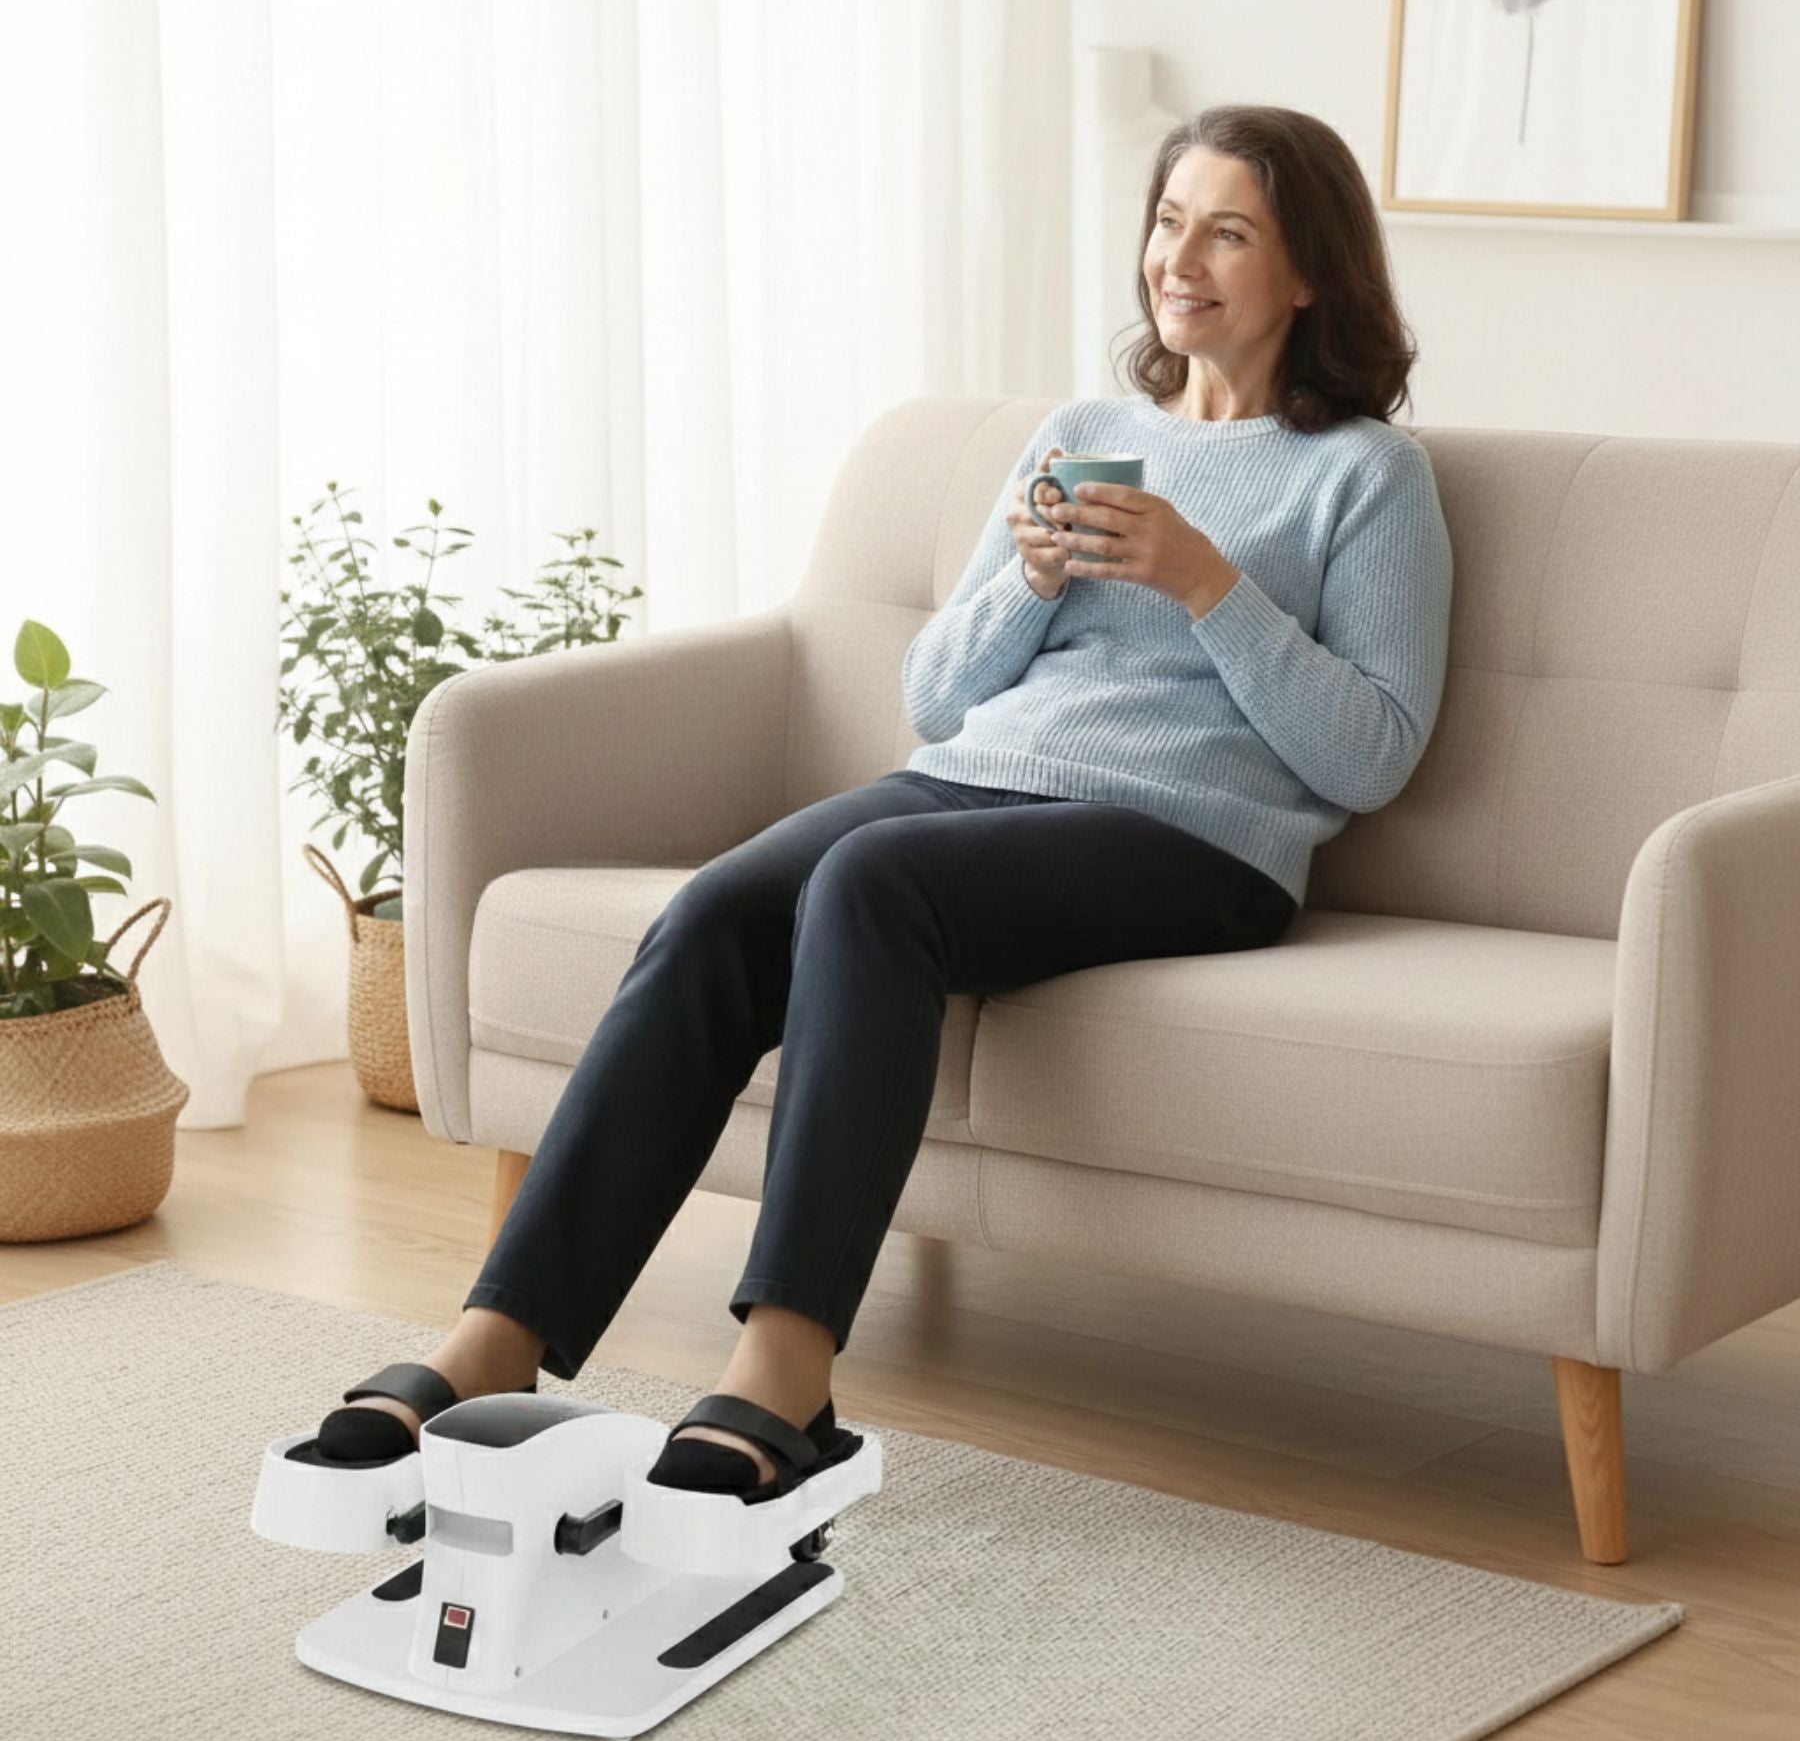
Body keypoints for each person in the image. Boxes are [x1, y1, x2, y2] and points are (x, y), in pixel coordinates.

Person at [304, 104, 1453, 1504]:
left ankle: (784, 1372)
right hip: (977, 778)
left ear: (1311, 271)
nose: (1181, 260)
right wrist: (1031, 581)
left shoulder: (1367, 474)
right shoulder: (1085, 432)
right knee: (724, 904)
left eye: (1228, 233)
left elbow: (1373, 754)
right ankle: (497, 1338)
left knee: (872, 887)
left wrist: (1207, 582)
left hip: (1199, 838)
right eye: (1168, 223)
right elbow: (936, 692)